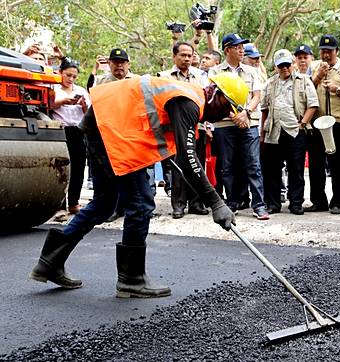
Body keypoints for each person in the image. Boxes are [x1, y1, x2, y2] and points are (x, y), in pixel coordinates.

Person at [29, 72, 242, 298]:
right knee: (140, 203)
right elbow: (188, 159)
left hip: (102, 126)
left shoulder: (186, 96)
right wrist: (216, 202)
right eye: (227, 106)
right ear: (215, 94)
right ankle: (132, 280)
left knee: (104, 203)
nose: (226, 114)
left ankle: (49, 261)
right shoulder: (190, 103)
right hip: (113, 131)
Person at [209, 33, 269, 220]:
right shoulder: (215, 72)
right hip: (225, 124)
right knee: (228, 166)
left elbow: (257, 96)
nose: (242, 50)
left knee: (253, 164)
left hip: (249, 122)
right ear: (227, 50)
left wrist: (246, 113)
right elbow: (212, 99)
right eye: (237, 47)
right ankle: (232, 202)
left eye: (243, 47)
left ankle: (259, 205)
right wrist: (234, 116)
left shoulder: (251, 71)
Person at [261, 49, 319, 214]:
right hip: (274, 130)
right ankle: (273, 204)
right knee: (272, 169)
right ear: (276, 67)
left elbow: (313, 104)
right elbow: (265, 108)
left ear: (292, 64)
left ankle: (296, 203)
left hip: (295, 130)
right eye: (281, 66)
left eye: (287, 64)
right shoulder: (270, 83)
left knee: (296, 169)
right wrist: (262, 132)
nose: (285, 68)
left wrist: (303, 123)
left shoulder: (304, 80)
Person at [158, 41, 210, 219]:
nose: (187, 59)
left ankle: (196, 203)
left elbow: (206, 102)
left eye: (190, 55)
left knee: (197, 165)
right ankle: (178, 205)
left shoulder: (201, 76)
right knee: (179, 166)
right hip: (174, 131)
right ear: (174, 56)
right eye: (183, 55)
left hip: (198, 129)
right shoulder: (164, 77)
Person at [308, 34, 340, 214]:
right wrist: (317, 77)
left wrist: (337, 90)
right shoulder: (312, 67)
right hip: (316, 123)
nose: (326, 55)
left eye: (329, 52)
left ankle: (338, 201)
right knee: (315, 165)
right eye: (323, 51)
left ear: (337, 51)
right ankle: (318, 201)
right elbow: (305, 93)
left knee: (337, 165)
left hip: (338, 124)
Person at [93, 48, 141, 223]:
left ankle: (130, 208)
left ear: (128, 64)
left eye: (122, 62)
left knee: (132, 173)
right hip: (110, 134)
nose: (119, 66)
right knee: (112, 174)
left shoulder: (137, 81)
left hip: (132, 134)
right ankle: (113, 208)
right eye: (115, 62)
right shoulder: (101, 83)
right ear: (110, 64)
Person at [51, 58, 91, 216]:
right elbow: (49, 105)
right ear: (61, 73)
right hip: (60, 130)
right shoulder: (53, 88)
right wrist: (63, 101)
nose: (71, 79)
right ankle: (60, 204)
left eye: (74, 76)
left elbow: (88, 112)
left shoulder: (81, 90)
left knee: (79, 168)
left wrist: (83, 105)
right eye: (68, 75)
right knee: (60, 168)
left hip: (78, 130)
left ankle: (74, 202)